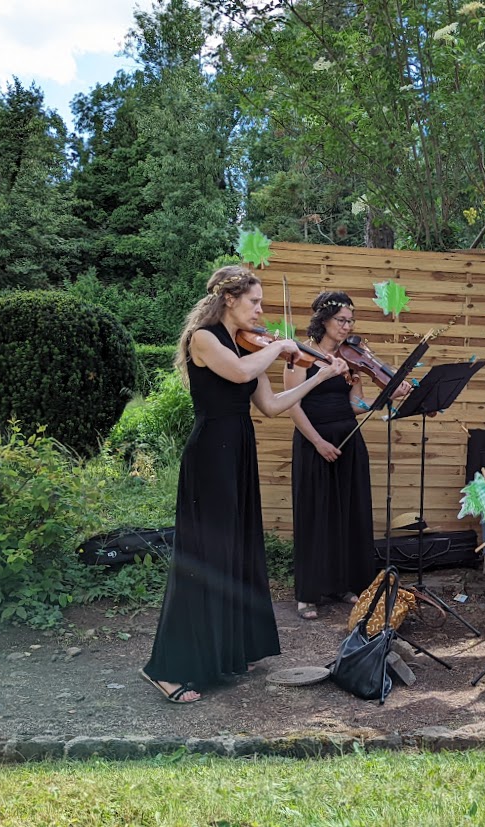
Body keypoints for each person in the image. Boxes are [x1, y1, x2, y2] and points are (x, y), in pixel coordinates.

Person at [140, 266, 349, 704]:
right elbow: (237, 374)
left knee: (236, 551)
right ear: (229, 299)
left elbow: (270, 405)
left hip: (238, 450)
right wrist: (279, 348)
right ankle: (166, 669)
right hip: (210, 454)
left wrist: (319, 377)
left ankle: (227, 652)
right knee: (204, 556)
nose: (260, 311)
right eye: (254, 302)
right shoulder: (204, 339)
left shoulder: (249, 345)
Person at [285, 291, 411, 620]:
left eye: (351, 321)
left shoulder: (350, 359)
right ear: (323, 320)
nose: (347, 326)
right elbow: (292, 405)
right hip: (314, 441)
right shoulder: (299, 355)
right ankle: (308, 594)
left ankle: (344, 585)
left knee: (349, 514)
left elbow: (356, 404)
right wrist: (317, 442)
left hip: (348, 440)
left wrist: (384, 397)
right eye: (341, 320)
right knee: (315, 516)